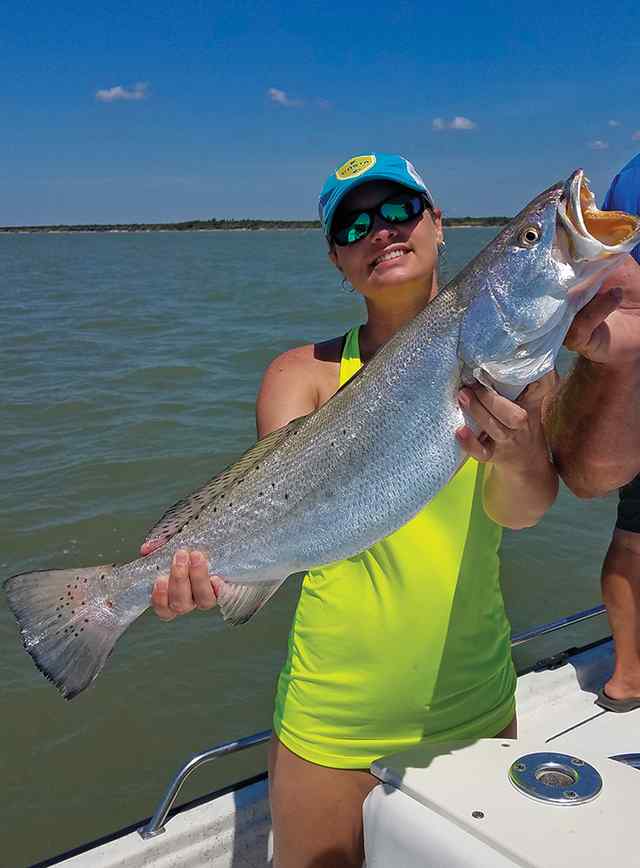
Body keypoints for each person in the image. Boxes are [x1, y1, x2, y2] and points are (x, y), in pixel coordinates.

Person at [148, 153, 559, 868]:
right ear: (337, 259)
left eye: (399, 210)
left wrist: (520, 451)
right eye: (354, 223)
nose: (381, 231)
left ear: (439, 225)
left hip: (474, 704)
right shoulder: (298, 375)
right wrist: (196, 570)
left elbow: (521, 513)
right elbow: (278, 517)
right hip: (329, 719)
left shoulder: (523, 369)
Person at [546, 153, 640, 712]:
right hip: (633, 356)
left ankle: (628, 676)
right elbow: (619, 282)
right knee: (633, 535)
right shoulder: (633, 179)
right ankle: (628, 675)